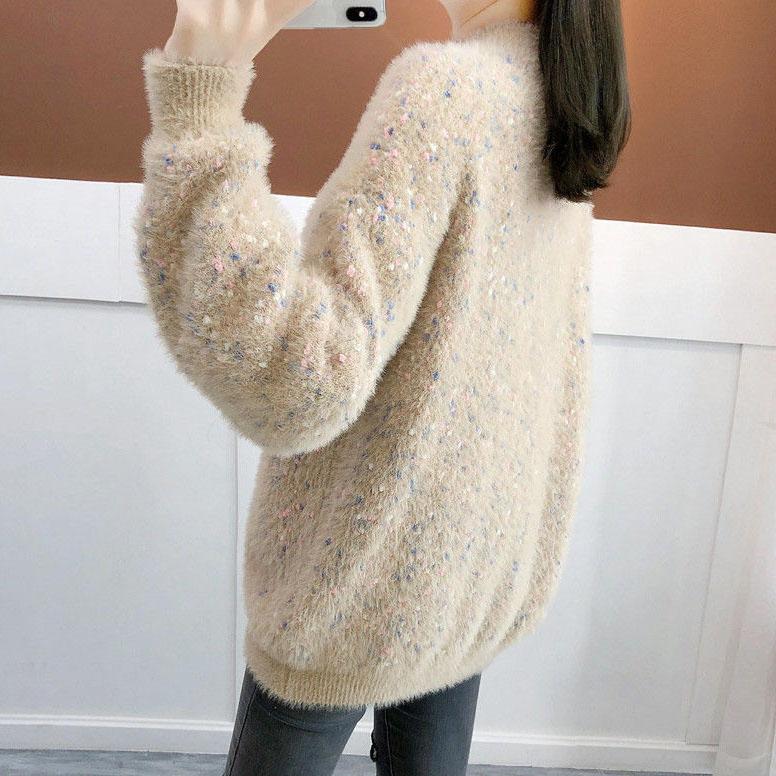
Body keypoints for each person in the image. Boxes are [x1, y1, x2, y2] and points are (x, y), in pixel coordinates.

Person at [134, 0, 631, 773]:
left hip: (359, 579)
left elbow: (298, 375)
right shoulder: (557, 95)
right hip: (466, 570)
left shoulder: (449, 93)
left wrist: (200, 96)